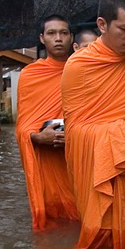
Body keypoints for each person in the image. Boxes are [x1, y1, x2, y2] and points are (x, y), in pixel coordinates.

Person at [61, 0, 125, 249]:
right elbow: (75, 132)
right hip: (98, 175)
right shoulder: (79, 67)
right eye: (123, 28)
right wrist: (123, 131)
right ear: (102, 24)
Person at [15, 14, 79, 231]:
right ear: (42, 38)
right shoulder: (30, 75)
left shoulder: (85, 71)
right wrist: (38, 137)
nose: (58, 38)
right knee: (54, 225)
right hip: (48, 160)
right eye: (52, 33)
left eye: (63, 33)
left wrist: (77, 136)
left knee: (84, 216)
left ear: (72, 37)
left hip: (79, 158)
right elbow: (23, 124)